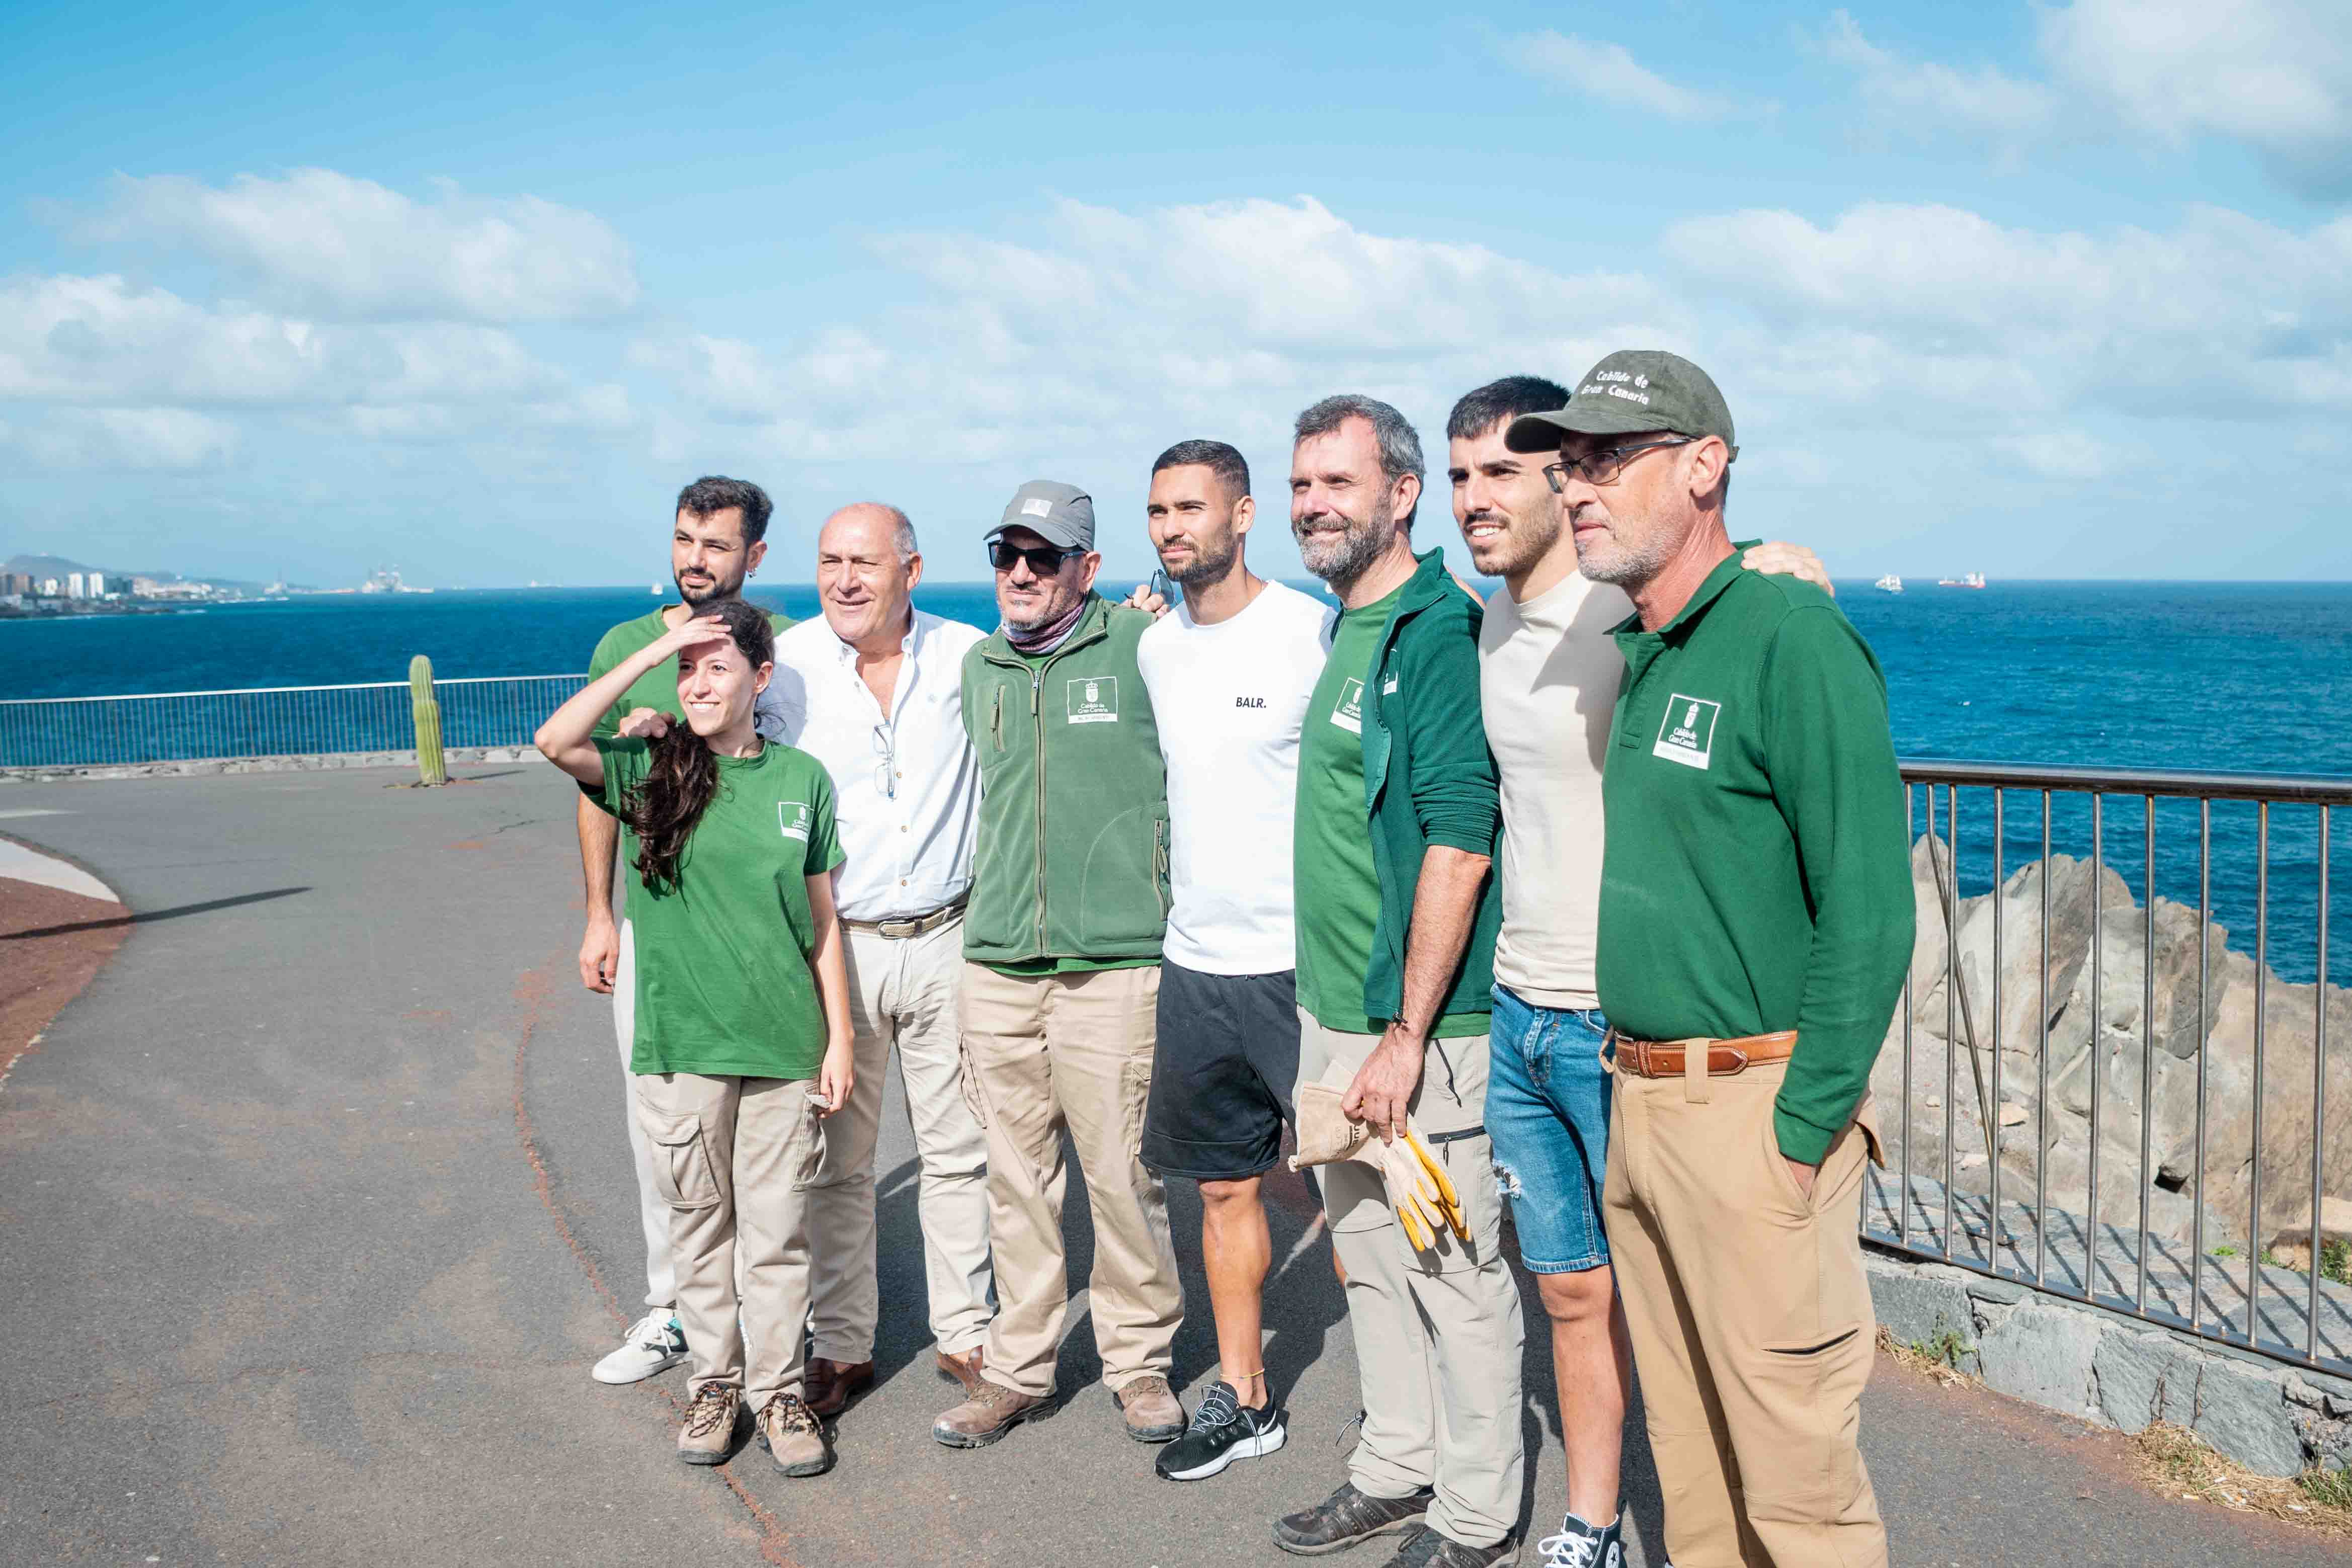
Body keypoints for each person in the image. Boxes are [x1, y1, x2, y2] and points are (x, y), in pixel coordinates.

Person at [1504, 351, 1911, 1567]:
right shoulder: (1651, 643)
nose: (1576, 488)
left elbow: (1871, 912)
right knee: (1694, 1474)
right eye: (1568, 464)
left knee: (1796, 1489)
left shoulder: (1790, 637)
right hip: (1639, 1099)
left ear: (1703, 466)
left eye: (1607, 461)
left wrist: (1799, 1134)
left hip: (1750, 1111)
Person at [1448, 377, 1831, 1568]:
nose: (1482, 496)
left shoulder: (1630, 609)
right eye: (1463, 474)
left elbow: (1721, 590)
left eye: (1510, 470)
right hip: (1521, 1012)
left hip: (1622, 1018)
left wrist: (1780, 554)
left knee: (1695, 1316)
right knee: (1572, 1293)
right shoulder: (1486, 620)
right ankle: (1592, 1520)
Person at [1273, 396, 1522, 1568]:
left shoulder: (1431, 631)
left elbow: (1460, 836)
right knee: (1368, 1252)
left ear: (1401, 493)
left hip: (1418, 1023)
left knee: (1454, 1266)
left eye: (1338, 482)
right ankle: (1395, 1463)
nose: (1314, 504)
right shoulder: (1344, 626)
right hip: (1333, 1009)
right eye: (1302, 484)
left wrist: (1405, 1031)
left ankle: (1475, 1510)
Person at [534, 598, 855, 1477]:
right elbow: (554, 742)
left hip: (784, 1047)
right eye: (689, 667)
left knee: (780, 1234)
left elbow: (822, 921)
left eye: (718, 665)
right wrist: (652, 656)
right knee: (700, 1230)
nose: (700, 681)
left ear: (761, 678)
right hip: (681, 1047)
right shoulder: (648, 767)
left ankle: (779, 1391)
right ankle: (715, 1384)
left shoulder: (803, 781)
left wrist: (840, 1041)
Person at [932, 480, 1186, 1451]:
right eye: (1009, 556)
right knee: (1015, 1178)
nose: (1023, 574)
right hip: (996, 961)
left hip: (1113, 964)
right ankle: (1019, 1367)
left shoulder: (1140, 646)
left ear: (1087, 566)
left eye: (1046, 557)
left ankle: (1138, 1363)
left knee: (1122, 1175)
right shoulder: (983, 666)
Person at [767, 502, 995, 1416]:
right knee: (838, 1159)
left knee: (958, 1151)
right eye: (829, 561)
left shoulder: (969, 655)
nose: (844, 580)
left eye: (864, 561)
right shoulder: (785, 666)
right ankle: (844, 1344)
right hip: (841, 947)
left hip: (949, 937)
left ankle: (968, 1332)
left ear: (912, 568)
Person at [1132, 440, 1332, 1482]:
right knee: (1219, 1192)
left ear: (1243, 513)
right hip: (1197, 965)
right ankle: (1245, 1396)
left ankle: (1416, 1420)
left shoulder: (1312, 630)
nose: (1172, 527)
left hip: (1306, 964)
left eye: (1192, 507)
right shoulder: (1157, 647)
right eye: (1158, 509)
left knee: (1367, 1196)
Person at [576, 477, 793, 1386]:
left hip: (763, 939)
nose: (694, 559)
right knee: (660, 1130)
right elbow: (594, 792)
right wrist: (598, 912)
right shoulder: (629, 646)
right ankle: (672, 1307)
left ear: (754, 556)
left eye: (714, 544)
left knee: (772, 1140)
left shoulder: (771, 648)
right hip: (659, 937)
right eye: (683, 539)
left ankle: (766, 1313)